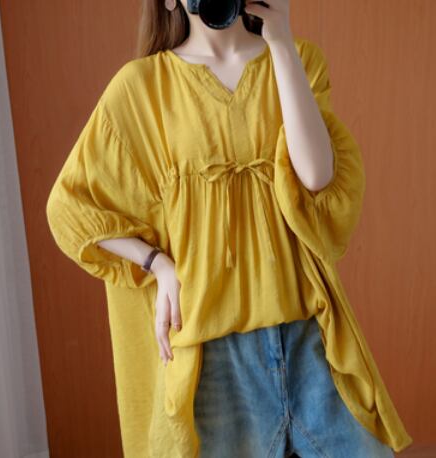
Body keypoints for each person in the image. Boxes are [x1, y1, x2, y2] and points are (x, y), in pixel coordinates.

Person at [46, 0, 413, 457]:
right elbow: (71, 206)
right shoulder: (141, 87)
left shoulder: (298, 58)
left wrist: (280, 41)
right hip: (215, 357)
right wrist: (156, 264)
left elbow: (317, 176)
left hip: (309, 334)